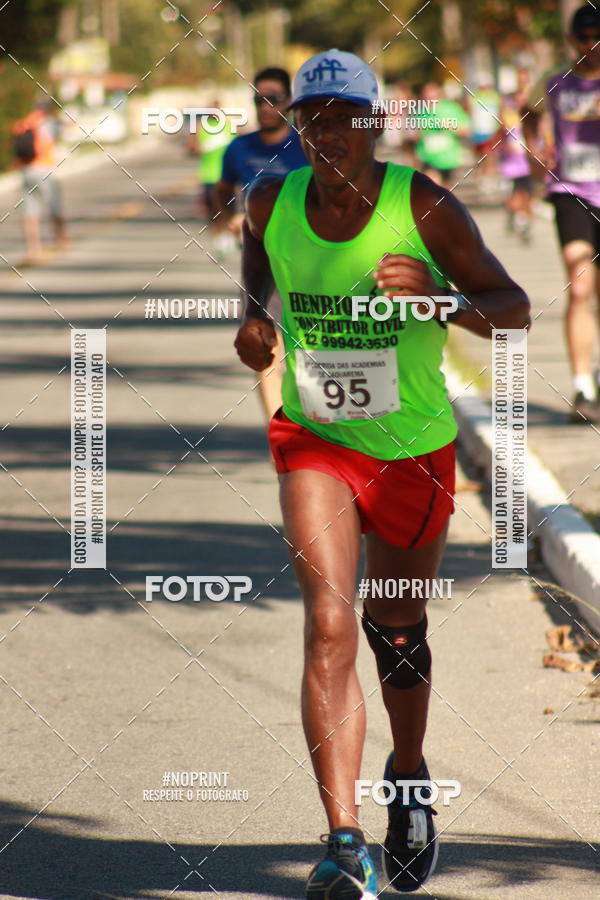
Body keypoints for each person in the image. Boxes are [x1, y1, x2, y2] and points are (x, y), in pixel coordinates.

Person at [234, 49, 530, 899]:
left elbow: (514, 309)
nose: (329, 134)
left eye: (346, 119)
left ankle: (407, 776)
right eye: (313, 119)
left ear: (375, 124)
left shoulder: (424, 206)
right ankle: (343, 841)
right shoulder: (270, 200)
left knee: (396, 632)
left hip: (412, 450)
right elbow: (258, 257)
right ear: (298, 127)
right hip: (317, 440)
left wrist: (438, 298)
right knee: (329, 625)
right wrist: (254, 316)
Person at [215, 67, 308, 421]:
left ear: (290, 102)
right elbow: (223, 189)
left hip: (311, 261)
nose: (266, 107)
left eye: (274, 99)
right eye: (259, 100)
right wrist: (228, 219)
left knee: (313, 349)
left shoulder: (308, 145)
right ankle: (277, 430)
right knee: (266, 346)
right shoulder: (239, 148)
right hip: (261, 263)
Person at [522, 4, 600, 423]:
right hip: (572, 192)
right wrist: (536, 154)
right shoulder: (554, 81)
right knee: (580, 282)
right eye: (583, 38)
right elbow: (527, 113)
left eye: (597, 38)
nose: (590, 46)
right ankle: (583, 386)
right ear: (571, 39)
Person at [12, 98, 68, 264]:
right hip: (44, 169)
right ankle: (61, 240)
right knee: (54, 205)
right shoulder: (47, 123)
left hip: (26, 171)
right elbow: (64, 131)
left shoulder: (24, 123)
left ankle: (34, 248)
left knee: (30, 210)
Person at [412, 82, 470, 187]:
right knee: (433, 184)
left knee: (444, 190)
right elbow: (415, 135)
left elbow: (466, 130)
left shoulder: (450, 108)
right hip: (428, 157)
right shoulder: (420, 112)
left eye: (433, 95)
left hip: (448, 158)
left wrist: (450, 127)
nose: (430, 99)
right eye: (427, 96)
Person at [500, 76, 534, 243]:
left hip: (527, 164)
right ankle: (516, 216)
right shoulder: (508, 116)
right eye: (519, 99)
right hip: (511, 165)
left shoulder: (533, 116)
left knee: (527, 196)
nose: (521, 102)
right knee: (514, 197)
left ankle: (524, 223)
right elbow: (501, 137)